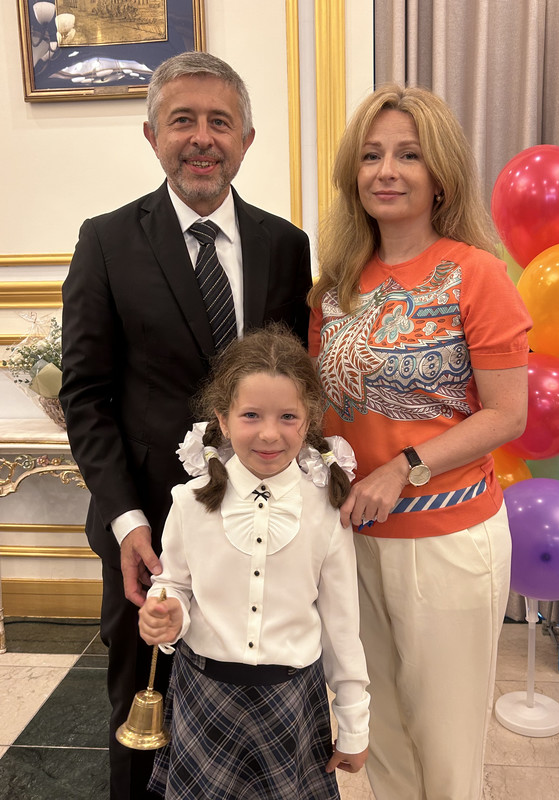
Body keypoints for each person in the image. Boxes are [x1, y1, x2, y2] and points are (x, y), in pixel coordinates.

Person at [59, 52, 312, 800]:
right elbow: (87, 394)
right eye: (182, 120)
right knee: (145, 706)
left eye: (219, 122)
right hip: (148, 532)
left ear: (247, 139)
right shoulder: (106, 240)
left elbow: (297, 392)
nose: (202, 138)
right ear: (150, 134)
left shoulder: (286, 245)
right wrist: (129, 522)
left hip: (265, 526)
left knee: (257, 700)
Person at [308, 85, 532, 800]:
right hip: (353, 540)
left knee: (447, 744)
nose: (387, 171)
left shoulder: (476, 272)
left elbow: (507, 415)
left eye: (408, 155)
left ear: (441, 174)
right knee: (377, 739)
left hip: (448, 541)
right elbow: (321, 413)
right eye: (371, 156)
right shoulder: (334, 288)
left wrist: (404, 468)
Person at [138, 325, 369, 799]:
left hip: (292, 703)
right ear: (221, 419)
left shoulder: (327, 510)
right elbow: (175, 584)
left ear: (308, 422)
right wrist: (166, 611)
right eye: (250, 415)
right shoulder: (188, 502)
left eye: (287, 416)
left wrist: (354, 725)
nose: (269, 433)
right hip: (204, 699)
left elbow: (343, 626)